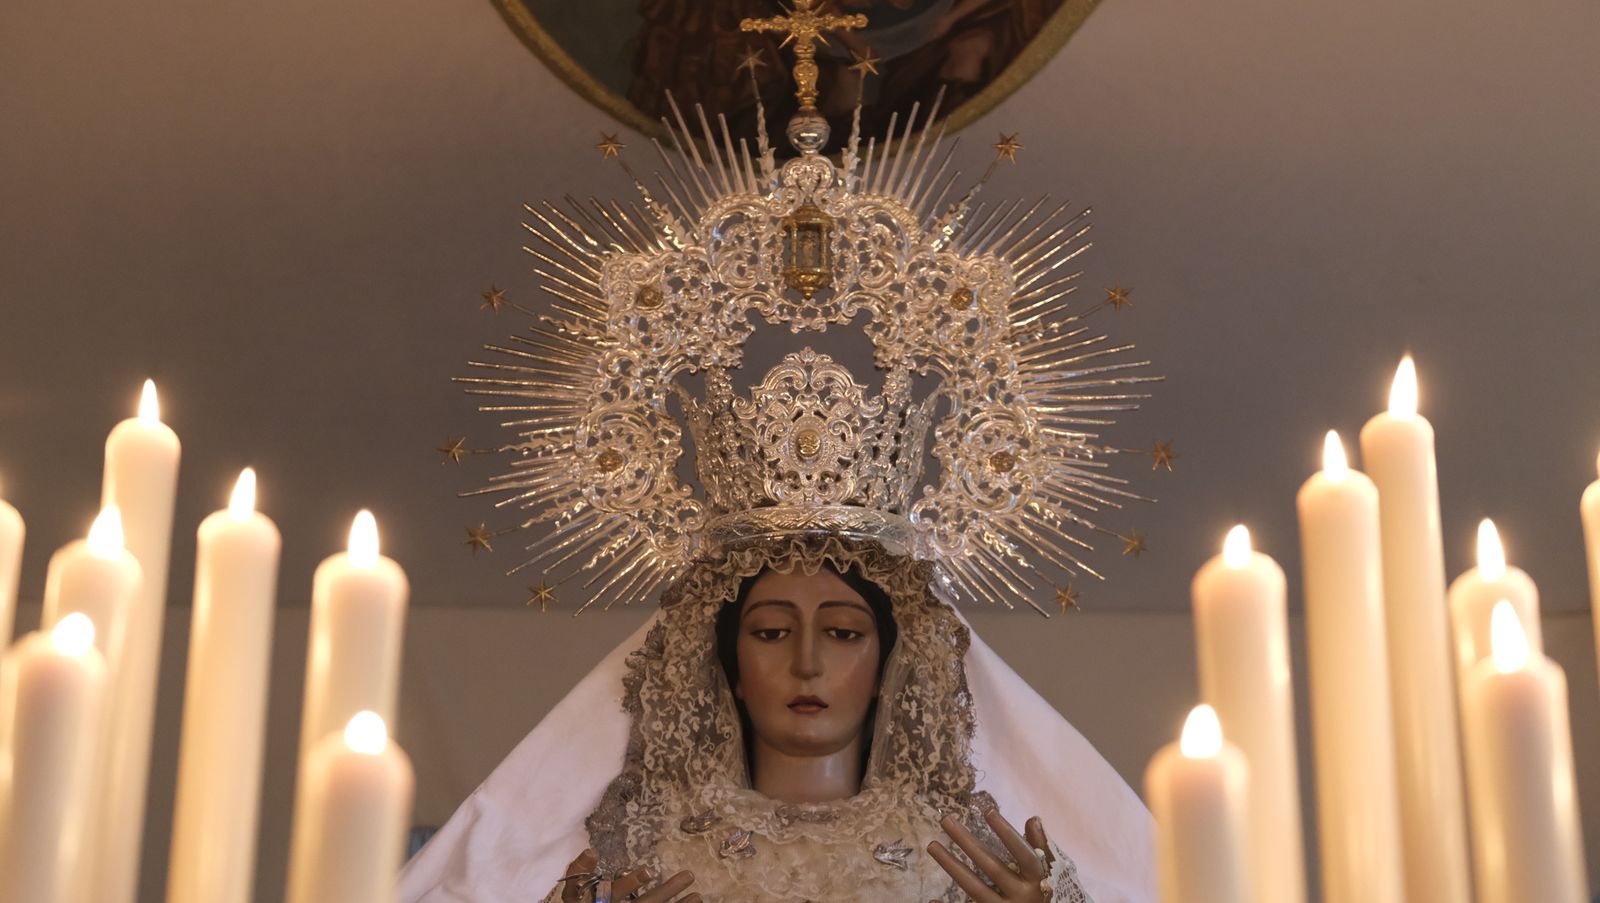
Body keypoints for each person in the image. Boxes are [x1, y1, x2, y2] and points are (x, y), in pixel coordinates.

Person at [398, 534, 1156, 902]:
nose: (806, 662)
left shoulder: (955, 857)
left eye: (843, 631)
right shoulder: (644, 849)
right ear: (728, 664)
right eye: (769, 631)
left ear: (888, 663)